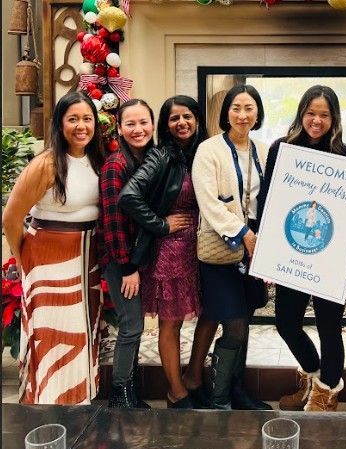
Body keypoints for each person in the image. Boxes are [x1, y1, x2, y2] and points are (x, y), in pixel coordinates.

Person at [2, 90, 104, 404]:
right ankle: (48, 406)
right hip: (47, 262)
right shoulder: (45, 164)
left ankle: (79, 402)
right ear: (60, 124)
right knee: (53, 334)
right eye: (73, 119)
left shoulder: (96, 159)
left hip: (86, 261)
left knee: (82, 333)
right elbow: (11, 217)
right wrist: (22, 259)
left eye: (87, 119)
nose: (81, 126)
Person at [259, 85, 346, 413]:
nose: (317, 120)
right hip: (292, 251)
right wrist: (268, 251)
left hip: (331, 255)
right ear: (302, 113)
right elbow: (268, 200)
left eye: (324, 115)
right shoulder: (281, 148)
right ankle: (313, 376)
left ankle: (327, 393)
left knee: (329, 327)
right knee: (286, 322)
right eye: (311, 113)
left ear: (334, 118)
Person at [119, 95, 217, 409]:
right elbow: (128, 196)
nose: (181, 123)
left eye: (187, 116)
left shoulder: (205, 153)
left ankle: (194, 377)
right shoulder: (161, 156)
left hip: (204, 248)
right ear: (166, 125)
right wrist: (161, 224)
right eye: (174, 118)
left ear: (197, 119)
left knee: (212, 313)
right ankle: (176, 391)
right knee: (171, 323)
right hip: (171, 252)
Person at [193, 83, 271, 411]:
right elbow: (209, 202)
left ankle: (237, 391)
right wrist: (243, 233)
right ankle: (219, 398)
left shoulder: (264, 150)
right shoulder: (209, 150)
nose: (242, 114)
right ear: (226, 112)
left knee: (246, 320)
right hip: (221, 249)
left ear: (258, 113)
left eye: (249, 108)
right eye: (236, 108)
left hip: (256, 247)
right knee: (235, 327)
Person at [97, 98, 155, 408]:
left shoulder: (148, 160)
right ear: (119, 128)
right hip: (121, 261)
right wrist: (128, 267)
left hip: (136, 258)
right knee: (131, 325)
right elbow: (113, 221)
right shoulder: (115, 165)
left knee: (135, 325)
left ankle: (130, 392)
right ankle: (119, 395)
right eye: (130, 124)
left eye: (143, 122)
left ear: (153, 124)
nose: (138, 129)